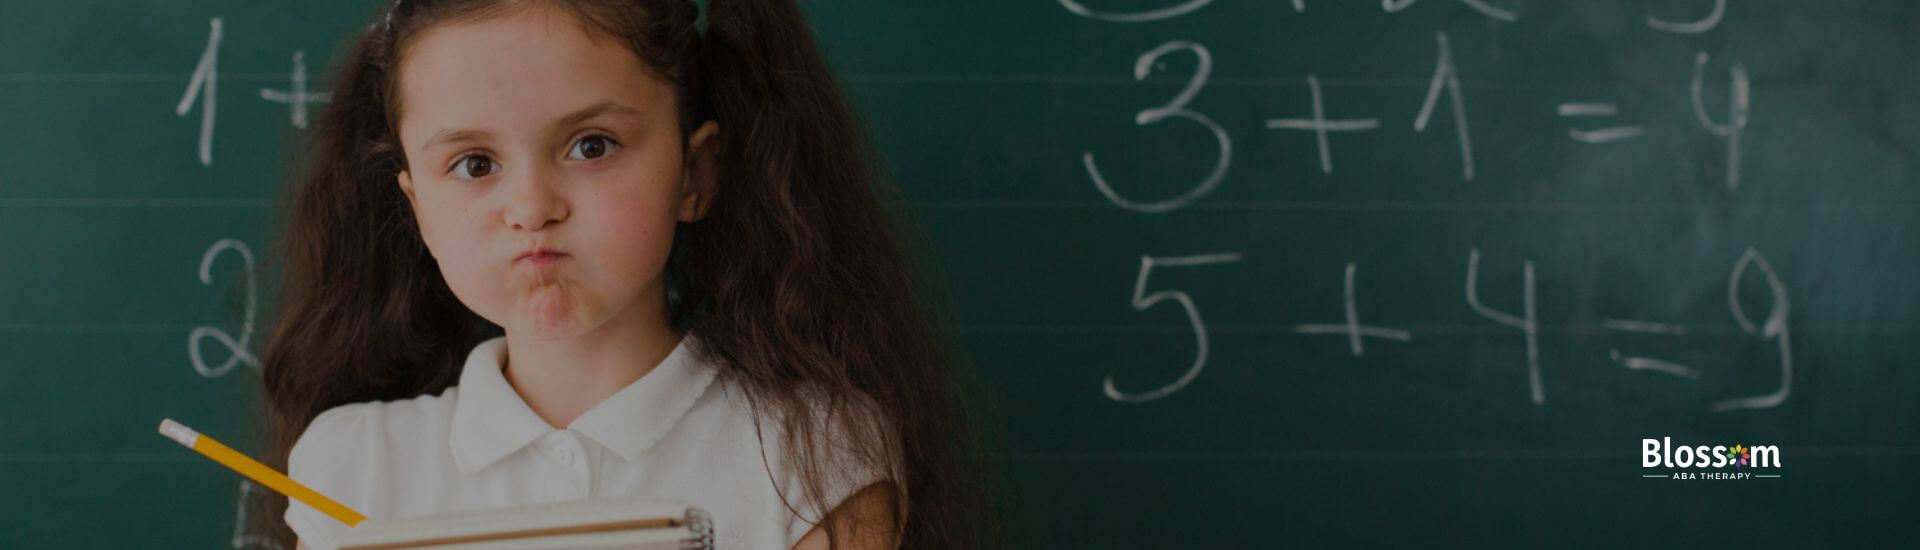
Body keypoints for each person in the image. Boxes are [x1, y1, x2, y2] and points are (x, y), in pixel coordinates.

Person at [249, 1, 1000, 548]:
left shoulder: (813, 450)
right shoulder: (353, 468)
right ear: (417, 208)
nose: (531, 208)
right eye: (474, 164)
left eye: (592, 146)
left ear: (695, 172)